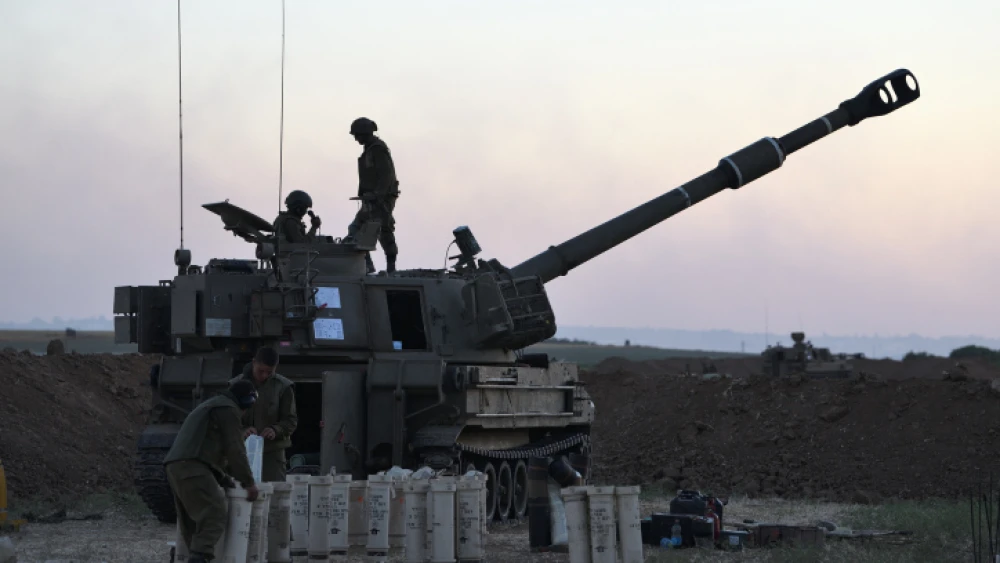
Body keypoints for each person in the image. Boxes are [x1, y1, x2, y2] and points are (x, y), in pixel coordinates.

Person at [163, 379, 261, 563]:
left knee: (192, 522)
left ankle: (188, 557)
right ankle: (200, 559)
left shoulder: (212, 405)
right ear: (246, 402)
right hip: (192, 466)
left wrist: (224, 478)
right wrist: (249, 483)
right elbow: (235, 449)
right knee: (215, 513)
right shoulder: (229, 409)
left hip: (176, 465)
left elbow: (209, 449)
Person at [230, 346, 298, 482]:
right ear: (254, 362)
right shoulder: (236, 385)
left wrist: (275, 430)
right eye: (261, 371)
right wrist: (243, 430)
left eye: (269, 372)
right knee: (241, 495)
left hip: (272, 454)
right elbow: (228, 419)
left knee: (275, 495)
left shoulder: (283, 387)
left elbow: (291, 421)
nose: (264, 375)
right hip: (242, 451)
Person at [345, 117, 400, 273]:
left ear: (364, 133)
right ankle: (367, 264)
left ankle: (390, 267)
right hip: (370, 199)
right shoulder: (370, 149)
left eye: (357, 135)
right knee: (356, 230)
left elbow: (386, 175)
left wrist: (378, 195)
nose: (355, 138)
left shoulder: (377, 149)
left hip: (380, 200)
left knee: (384, 230)